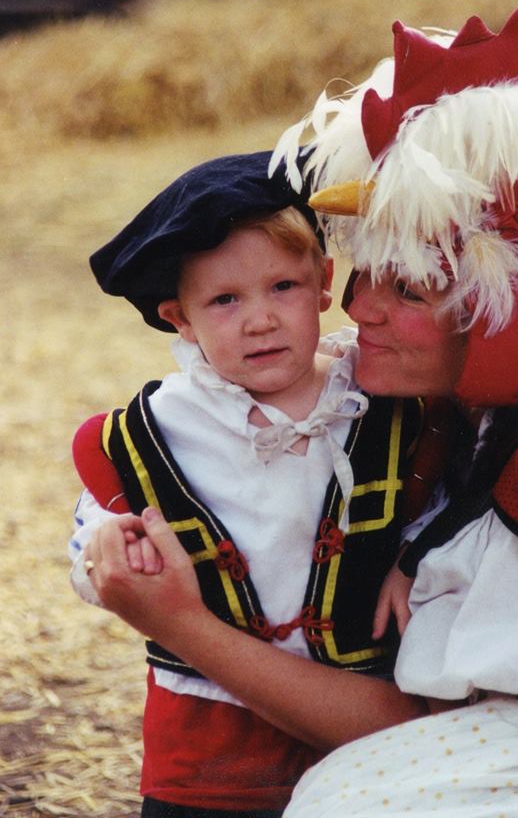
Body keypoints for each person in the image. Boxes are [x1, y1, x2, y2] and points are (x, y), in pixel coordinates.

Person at [83, 0, 518, 816]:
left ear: (508, 302)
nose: (357, 312)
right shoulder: (476, 405)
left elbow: (420, 731)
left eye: (411, 289)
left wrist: (179, 624)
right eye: (364, 277)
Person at [68, 151, 431, 818]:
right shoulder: (148, 435)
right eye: (225, 300)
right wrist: (111, 556)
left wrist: (415, 558)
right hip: (206, 744)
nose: (259, 319)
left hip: (359, 720)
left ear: (324, 281)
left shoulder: (385, 400)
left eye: (282, 288)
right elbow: (91, 553)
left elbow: (435, 505)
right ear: (180, 318)